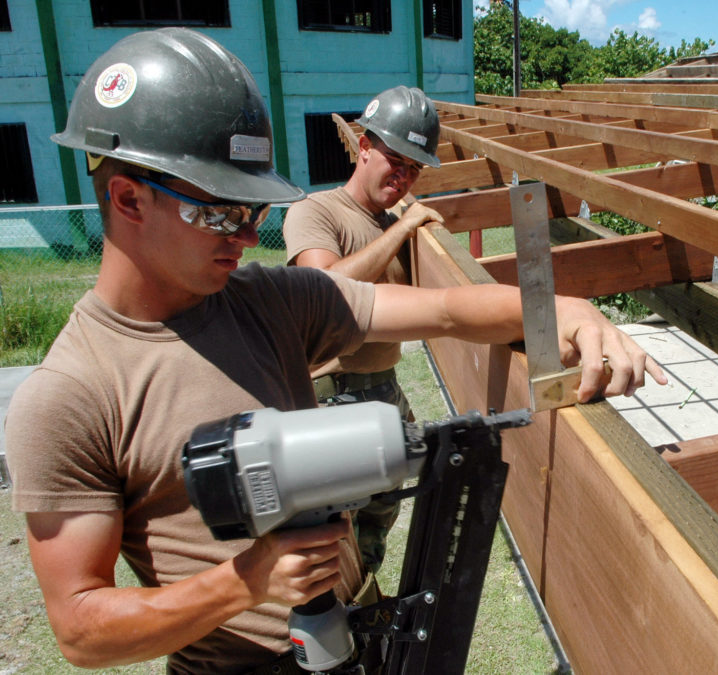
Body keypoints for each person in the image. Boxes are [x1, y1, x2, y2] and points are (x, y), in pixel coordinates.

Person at [3, 27, 665, 675]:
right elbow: (82, 629)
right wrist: (247, 581)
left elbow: (442, 309)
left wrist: (566, 311)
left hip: (358, 629)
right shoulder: (69, 394)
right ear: (127, 197)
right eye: (220, 211)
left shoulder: (270, 301)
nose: (243, 234)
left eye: (252, 211)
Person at [282, 86, 443, 575]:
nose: (404, 175)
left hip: (382, 387)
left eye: (414, 168)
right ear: (364, 147)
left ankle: (364, 597)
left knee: (381, 512)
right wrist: (402, 229)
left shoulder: (393, 219)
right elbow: (327, 289)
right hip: (331, 395)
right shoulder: (317, 211)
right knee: (333, 535)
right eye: (395, 159)